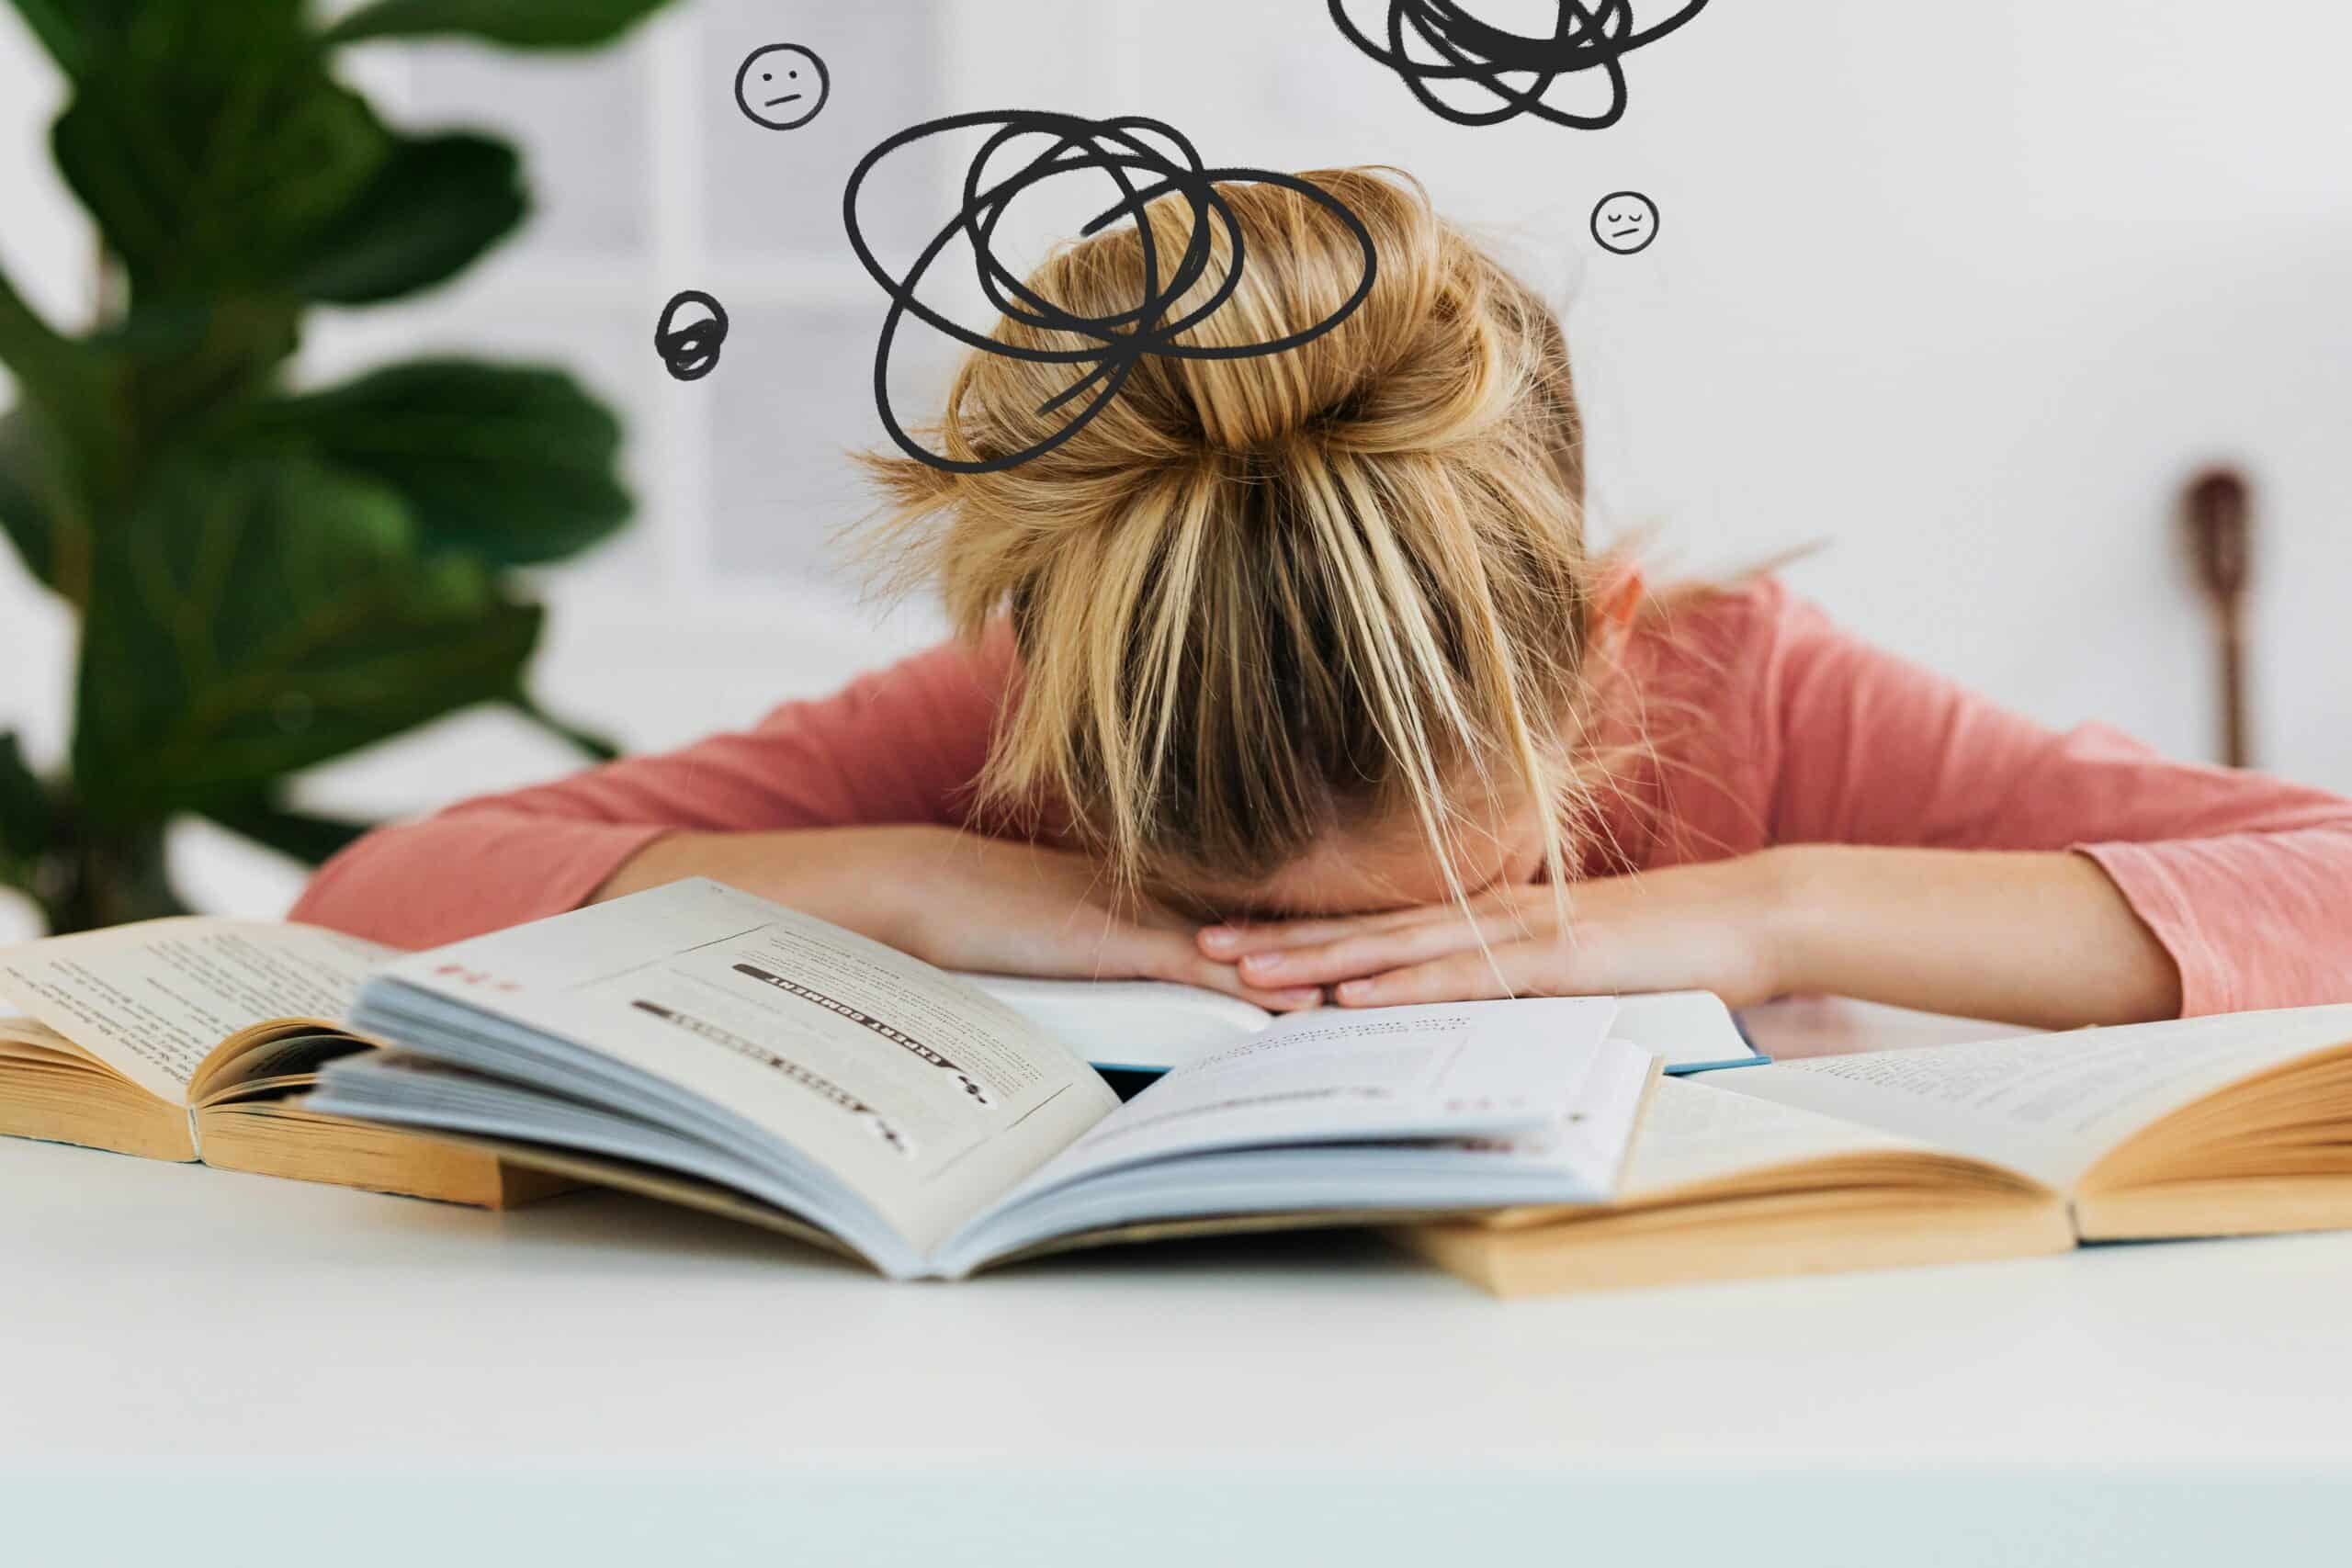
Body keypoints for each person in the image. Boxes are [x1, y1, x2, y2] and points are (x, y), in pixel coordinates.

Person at [293, 169, 2352, 1029]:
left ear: (1596, 638)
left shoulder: (1746, 699)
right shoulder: (1010, 726)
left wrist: (1764, 905)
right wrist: (917, 885)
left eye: (1462, 915)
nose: (1339, 993)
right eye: (1250, 927)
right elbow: (378, 892)